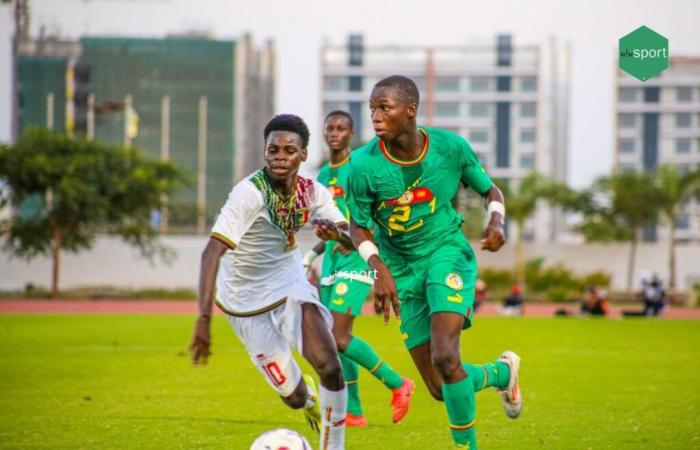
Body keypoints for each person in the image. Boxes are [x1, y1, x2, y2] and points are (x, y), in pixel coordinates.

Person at [346, 75, 522, 449]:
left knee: (446, 354)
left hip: (446, 252)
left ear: (410, 110)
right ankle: (501, 372)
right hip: (400, 267)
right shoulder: (361, 165)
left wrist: (496, 219)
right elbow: (357, 227)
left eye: (384, 108)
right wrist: (379, 269)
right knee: (441, 387)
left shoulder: (450, 148)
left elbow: (490, 188)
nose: (375, 117)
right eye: (372, 109)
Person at [189, 114, 349, 450]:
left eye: (289, 150)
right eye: (273, 149)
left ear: (303, 155)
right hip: (244, 304)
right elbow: (210, 253)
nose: (279, 156)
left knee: (330, 367)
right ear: (264, 153)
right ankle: (306, 403)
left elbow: (347, 233)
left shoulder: (313, 192)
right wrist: (203, 320)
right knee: (293, 397)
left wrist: (338, 234)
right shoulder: (247, 194)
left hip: (290, 285)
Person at [303, 110, 415, 427]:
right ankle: (353, 411)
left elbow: (374, 217)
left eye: (342, 128)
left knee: (338, 335)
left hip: (358, 257)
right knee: (334, 337)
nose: (335, 133)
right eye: (330, 128)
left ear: (351, 134)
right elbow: (329, 227)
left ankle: (398, 383)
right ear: (323, 133)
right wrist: (311, 256)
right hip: (333, 260)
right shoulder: (323, 175)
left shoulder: (359, 168)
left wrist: (361, 244)